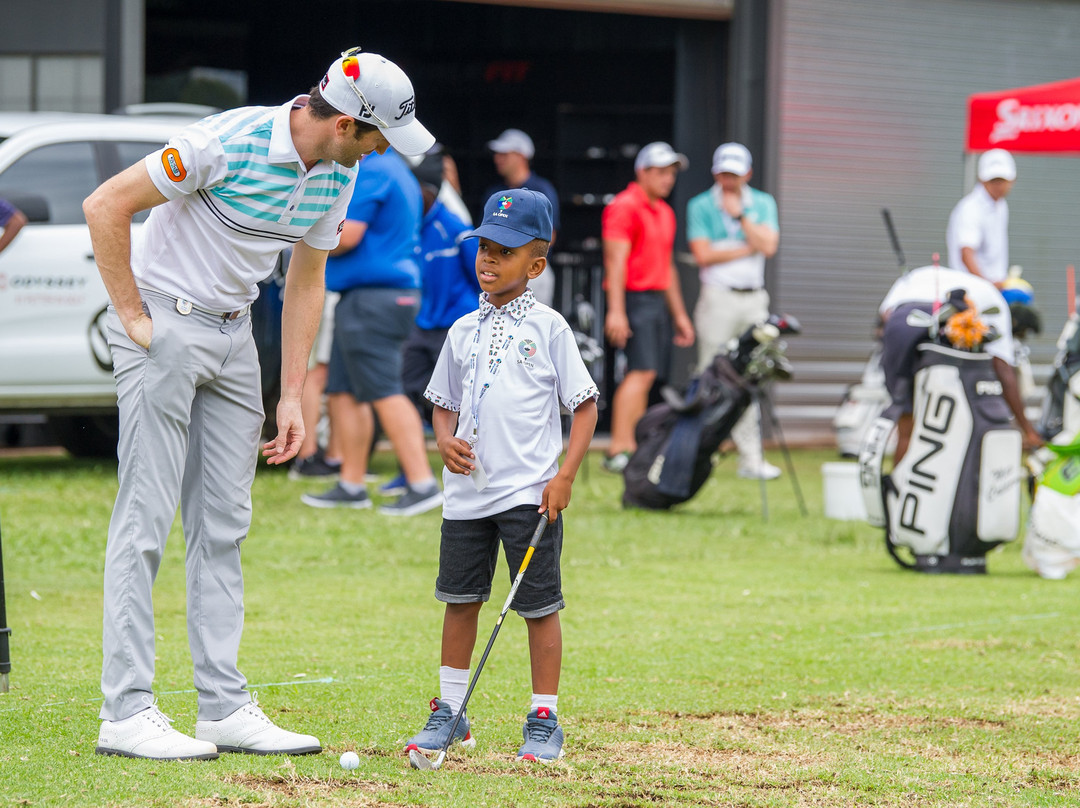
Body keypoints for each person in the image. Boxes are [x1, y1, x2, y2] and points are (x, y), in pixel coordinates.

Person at [84, 47, 434, 761]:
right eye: (377, 137)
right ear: (345, 124)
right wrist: (134, 317)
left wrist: (294, 394)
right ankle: (125, 711)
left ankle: (222, 707)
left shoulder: (341, 171)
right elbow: (106, 204)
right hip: (167, 324)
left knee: (223, 526)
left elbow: (307, 277)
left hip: (235, 335)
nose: (380, 154)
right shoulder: (226, 141)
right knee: (146, 517)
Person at [404, 189, 598, 763]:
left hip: (528, 495)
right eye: (483, 247)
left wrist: (564, 477)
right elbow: (442, 402)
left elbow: (583, 406)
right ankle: (449, 711)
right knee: (459, 600)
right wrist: (443, 440)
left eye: (504, 252)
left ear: (535, 265)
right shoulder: (462, 330)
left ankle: (544, 717)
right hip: (466, 496)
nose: (487, 260)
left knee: (538, 606)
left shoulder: (551, 328)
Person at [301, 145, 441, 516]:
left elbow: (347, 236)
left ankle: (422, 484)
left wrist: (294, 230)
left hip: (377, 297)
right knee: (344, 390)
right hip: (366, 296)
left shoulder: (377, 170)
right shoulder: (394, 168)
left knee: (383, 390)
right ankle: (351, 483)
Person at [878, 264, 1042, 462]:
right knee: (949, 421)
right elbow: (1003, 370)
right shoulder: (994, 301)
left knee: (907, 425)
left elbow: (885, 317)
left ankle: (899, 488)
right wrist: (1028, 430)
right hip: (939, 317)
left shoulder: (919, 277)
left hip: (899, 323)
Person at [686, 142, 781, 480]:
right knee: (708, 373)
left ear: (747, 174)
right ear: (716, 173)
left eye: (736, 174)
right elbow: (703, 255)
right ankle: (692, 453)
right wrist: (747, 246)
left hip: (753, 298)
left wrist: (741, 218)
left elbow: (768, 246)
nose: (729, 180)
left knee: (751, 374)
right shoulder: (700, 205)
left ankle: (751, 459)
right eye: (725, 173)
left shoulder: (762, 203)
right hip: (718, 298)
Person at [600, 141, 694, 472]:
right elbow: (616, 262)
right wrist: (616, 310)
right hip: (633, 299)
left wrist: (680, 315)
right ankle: (618, 449)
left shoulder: (665, 212)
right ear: (642, 172)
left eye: (672, 173)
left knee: (648, 373)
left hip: (656, 302)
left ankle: (632, 445)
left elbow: (667, 266)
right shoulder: (624, 206)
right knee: (639, 373)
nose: (668, 179)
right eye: (661, 172)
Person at [484, 128, 560, 306]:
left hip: (530, 272)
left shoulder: (541, 190)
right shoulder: (495, 193)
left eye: (504, 154)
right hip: (496, 267)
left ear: (521, 156)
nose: (497, 159)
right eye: (497, 154)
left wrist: (517, 262)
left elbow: (550, 237)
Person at [946, 149, 1016, 288]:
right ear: (982, 180)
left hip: (992, 288)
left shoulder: (1001, 205)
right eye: (994, 181)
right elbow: (966, 253)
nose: (999, 186)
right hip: (972, 290)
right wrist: (986, 286)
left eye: (1002, 180)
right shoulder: (970, 209)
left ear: (1012, 180)